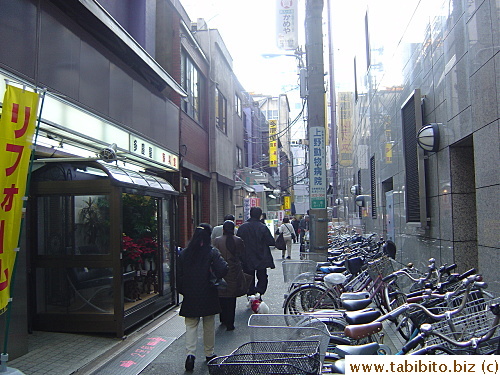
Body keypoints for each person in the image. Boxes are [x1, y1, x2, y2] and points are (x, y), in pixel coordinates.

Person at [177, 223, 228, 371]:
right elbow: (223, 268)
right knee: (209, 324)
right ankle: (209, 354)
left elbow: (179, 276)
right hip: (208, 292)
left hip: (191, 294)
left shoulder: (185, 253)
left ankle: (190, 355)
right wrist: (215, 279)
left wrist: (184, 291)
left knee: (191, 325)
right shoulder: (211, 252)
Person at [213, 220, 248, 331]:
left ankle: (223, 319)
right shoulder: (238, 240)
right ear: (233, 229)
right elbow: (243, 254)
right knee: (232, 298)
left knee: (221, 295)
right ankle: (230, 323)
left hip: (221, 271)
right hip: (234, 271)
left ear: (223, 229)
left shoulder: (217, 241)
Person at [236, 206, 275, 297]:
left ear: (250, 214)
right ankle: (259, 292)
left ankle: (251, 294)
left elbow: (238, 241)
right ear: (260, 216)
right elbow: (271, 242)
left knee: (249, 276)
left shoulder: (242, 227)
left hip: (246, 256)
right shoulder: (263, 227)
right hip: (261, 256)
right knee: (262, 276)